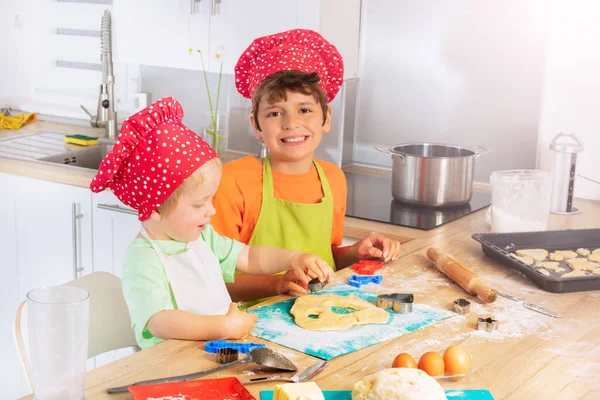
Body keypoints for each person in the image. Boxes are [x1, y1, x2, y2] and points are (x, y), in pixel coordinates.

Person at [90, 96, 333, 349]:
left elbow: (249, 257)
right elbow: (159, 321)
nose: (211, 210)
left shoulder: (203, 238)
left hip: (214, 352)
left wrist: (293, 258)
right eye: (199, 204)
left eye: (211, 199)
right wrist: (222, 327)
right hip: (169, 368)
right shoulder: (143, 259)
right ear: (154, 210)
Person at [211, 29, 402, 302]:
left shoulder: (333, 178)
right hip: (248, 326)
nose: (291, 123)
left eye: (305, 110)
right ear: (256, 125)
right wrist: (278, 285)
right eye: (275, 113)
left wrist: (356, 252)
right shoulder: (233, 182)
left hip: (320, 315)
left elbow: (323, 255)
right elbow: (214, 278)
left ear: (326, 118)